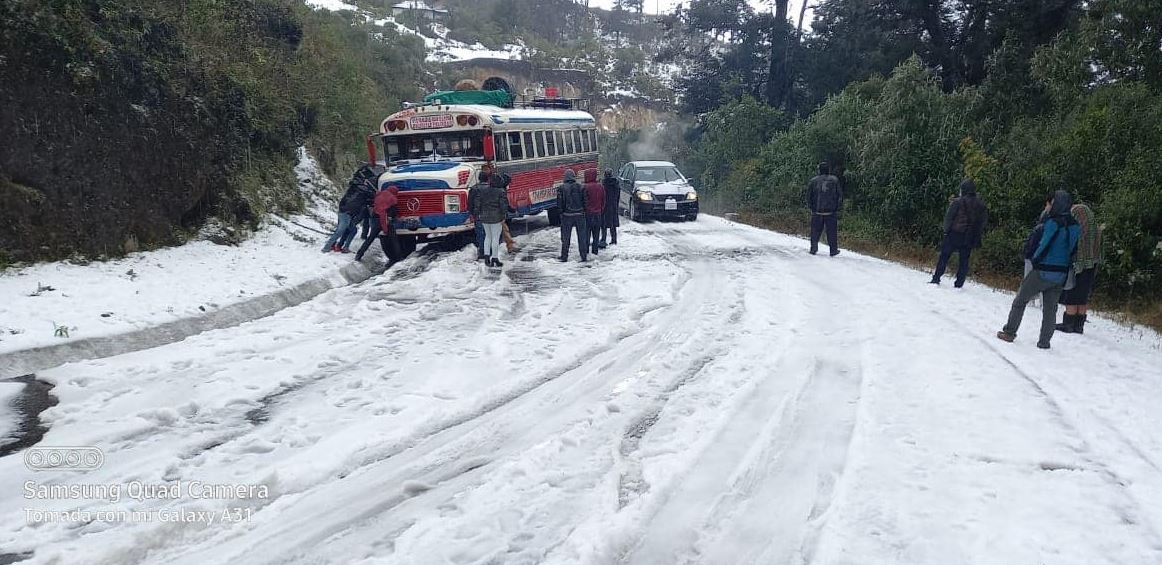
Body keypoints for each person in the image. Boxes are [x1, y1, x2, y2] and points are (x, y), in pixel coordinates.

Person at [997, 190, 1081, 349]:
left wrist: (1035, 259)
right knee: (1050, 309)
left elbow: (1044, 243)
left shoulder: (1053, 223)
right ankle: (1044, 342)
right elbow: (1072, 248)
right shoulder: (1075, 225)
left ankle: (1009, 332)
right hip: (1061, 273)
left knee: (1020, 300)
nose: (1047, 206)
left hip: (1043, 269)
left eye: (1050, 203)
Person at [930, 179, 989, 287]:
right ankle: (959, 283)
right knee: (964, 261)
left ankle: (936, 278)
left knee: (944, 256)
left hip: (955, 233)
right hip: (969, 236)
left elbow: (949, 218)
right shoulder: (981, 204)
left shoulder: (958, 202)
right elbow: (983, 222)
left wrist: (946, 231)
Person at [1057, 202, 1102, 334]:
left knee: (1071, 292)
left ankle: (1068, 323)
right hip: (1092, 264)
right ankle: (1079, 325)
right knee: (1083, 295)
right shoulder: (1096, 230)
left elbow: (1070, 247)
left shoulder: (1077, 230)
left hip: (1077, 265)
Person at [323, 166, 376, 253]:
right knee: (340, 231)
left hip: (346, 211)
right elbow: (368, 197)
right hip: (346, 213)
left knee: (352, 230)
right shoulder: (362, 189)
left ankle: (342, 247)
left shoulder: (355, 187)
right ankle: (327, 247)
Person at [355, 186, 401, 262]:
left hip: (375, 219)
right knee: (394, 239)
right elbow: (385, 214)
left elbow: (378, 209)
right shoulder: (392, 199)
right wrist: (385, 228)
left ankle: (359, 254)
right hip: (385, 220)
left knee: (370, 238)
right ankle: (398, 257)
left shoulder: (379, 195)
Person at [473, 172, 509, 267]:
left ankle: (486, 258)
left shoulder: (483, 191)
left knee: (487, 237)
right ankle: (495, 258)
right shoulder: (500, 191)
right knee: (495, 238)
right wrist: (503, 216)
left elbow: (478, 204)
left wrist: (477, 214)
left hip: (484, 217)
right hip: (496, 218)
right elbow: (503, 206)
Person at [807, 162, 843, 256]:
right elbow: (840, 195)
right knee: (832, 232)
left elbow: (809, 196)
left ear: (819, 170)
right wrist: (837, 207)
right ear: (828, 170)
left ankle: (813, 249)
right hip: (831, 212)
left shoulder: (813, 181)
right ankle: (833, 250)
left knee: (815, 231)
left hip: (817, 211)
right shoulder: (834, 180)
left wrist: (811, 207)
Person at [557, 169, 588, 262]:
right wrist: (584, 211)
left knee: (566, 238)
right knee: (582, 237)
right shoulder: (581, 187)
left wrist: (561, 213)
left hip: (567, 216)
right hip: (580, 215)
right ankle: (583, 256)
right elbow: (585, 201)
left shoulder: (561, 188)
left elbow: (559, 203)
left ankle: (564, 256)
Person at [468, 169, 490, 260]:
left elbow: (470, 203)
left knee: (480, 234)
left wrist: (472, 213)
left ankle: (482, 251)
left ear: (479, 178)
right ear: (487, 179)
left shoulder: (474, 189)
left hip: (479, 215)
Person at [582, 169, 605, 256]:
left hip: (588, 215)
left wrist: (585, 210)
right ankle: (595, 252)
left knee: (587, 234)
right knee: (596, 234)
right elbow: (603, 200)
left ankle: (586, 252)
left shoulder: (585, 187)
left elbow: (584, 201)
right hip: (598, 214)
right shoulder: (600, 187)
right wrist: (600, 210)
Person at [600, 168, 619, 247]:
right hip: (613, 205)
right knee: (613, 224)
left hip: (605, 206)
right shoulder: (616, 183)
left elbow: (601, 195)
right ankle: (614, 239)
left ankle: (603, 239)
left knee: (604, 224)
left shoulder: (603, 183)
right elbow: (618, 195)